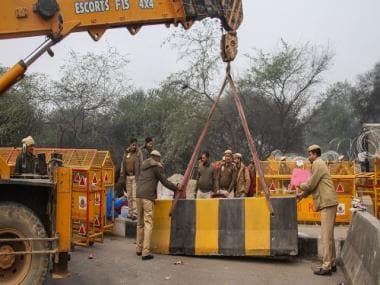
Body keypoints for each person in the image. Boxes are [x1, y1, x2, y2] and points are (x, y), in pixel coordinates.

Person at [297, 145, 338, 275]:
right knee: (329, 236)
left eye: (309, 154)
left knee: (326, 236)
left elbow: (310, 184)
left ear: (315, 154)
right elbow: (313, 187)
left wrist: (298, 184)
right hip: (329, 202)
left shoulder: (317, 164)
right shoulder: (319, 164)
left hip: (327, 202)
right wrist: (302, 195)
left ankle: (326, 267)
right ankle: (332, 263)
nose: (308, 157)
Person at [136, 150, 180, 260]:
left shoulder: (144, 165)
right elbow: (164, 181)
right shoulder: (156, 166)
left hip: (138, 195)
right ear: (157, 158)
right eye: (159, 158)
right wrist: (176, 188)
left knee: (140, 223)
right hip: (147, 197)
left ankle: (138, 248)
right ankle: (145, 252)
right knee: (148, 223)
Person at [120, 138, 143, 220]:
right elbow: (123, 163)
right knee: (129, 195)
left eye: (135, 145)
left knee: (134, 195)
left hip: (135, 176)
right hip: (127, 177)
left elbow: (141, 164)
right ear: (130, 145)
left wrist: (141, 176)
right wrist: (122, 173)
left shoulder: (138, 153)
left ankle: (135, 214)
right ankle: (130, 213)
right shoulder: (126, 152)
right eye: (133, 145)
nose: (134, 146)